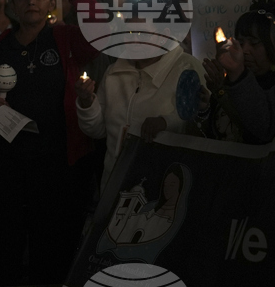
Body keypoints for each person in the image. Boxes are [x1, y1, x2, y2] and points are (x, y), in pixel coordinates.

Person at [0, 0, 99, 286]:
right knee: (6, 248)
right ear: (12, 4)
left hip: (58, 165)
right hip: (6, 166)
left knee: (53, 252)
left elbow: (99, 35)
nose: (31, 1)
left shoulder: (66, 38)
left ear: (52, 2)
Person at [76, 43, 205, 194]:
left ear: (163, 34)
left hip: (163, 188)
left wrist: (166, 123)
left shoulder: (186, 68)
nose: (133, 39)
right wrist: (87, 102)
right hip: (114, 186)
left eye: (142, 33)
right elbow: (98, 130)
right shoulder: (114, 72)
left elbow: (201, 126)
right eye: (129, 32)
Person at [203, 5, 275, 145]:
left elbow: (262, 132)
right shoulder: (232, 81)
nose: (245, 50)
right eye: (240, 42)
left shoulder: (270, 86)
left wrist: (236, 75)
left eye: (254, 43)